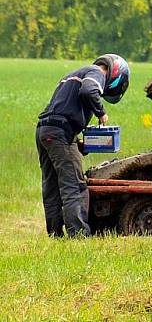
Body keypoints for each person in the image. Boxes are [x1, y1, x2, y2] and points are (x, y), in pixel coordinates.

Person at [36, 53, 130, 237]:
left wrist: (75, 141)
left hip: (45, 130)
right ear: (116, 75)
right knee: (75, 186)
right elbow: (88, 91)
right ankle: (78, 235)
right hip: (60, 132)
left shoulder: (73, 74)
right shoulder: (96, 73)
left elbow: (61, 109)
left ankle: (55, 234)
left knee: (52, 185)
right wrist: (101, 112)